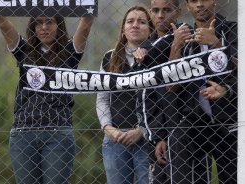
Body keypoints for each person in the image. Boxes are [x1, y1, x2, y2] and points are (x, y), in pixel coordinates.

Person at [0, 15, 94, 184]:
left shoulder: (69, 51)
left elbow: (85, 23)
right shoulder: (24, 50)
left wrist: (89, 8)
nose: (44, 27)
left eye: (50, 22)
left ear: (59, 25)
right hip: (23, 130)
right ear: (33, 28)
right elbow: (3, 24)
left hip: (58, 131)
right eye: (38, 23)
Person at [156, 0, 237, 183]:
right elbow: (171, 86)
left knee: (232, 176)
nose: (199, 4)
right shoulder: (184, 36)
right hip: (196, 121)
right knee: (178, 137)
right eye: (193, 1)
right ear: (187, 5)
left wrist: (216, 45)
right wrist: (176, 46)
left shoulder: (233, 30)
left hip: (230, 119)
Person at [133, 0, 213, 183]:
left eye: (166, 10)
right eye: (156, 11)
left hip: (189, 128)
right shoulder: (148, 46)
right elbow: (149, 96)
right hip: (160, 130)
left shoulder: (187, 37)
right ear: (151, 13)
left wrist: (175, 44)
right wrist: (158, 135)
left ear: (177, 11)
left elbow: (173, 88)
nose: (160, 15)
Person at [96, 6, 154, 184]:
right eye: (130, 21)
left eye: (141, 22)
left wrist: (142, 130)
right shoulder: (109, 58)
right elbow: (102, 98)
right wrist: (109, 129)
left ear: (150, 29)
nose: (135, 25)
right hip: (115, 139)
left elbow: (162, 101)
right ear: (123, 29)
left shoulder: (157, 56)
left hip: (147, 139)